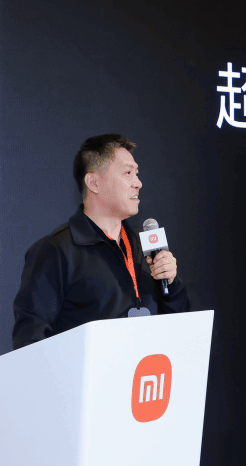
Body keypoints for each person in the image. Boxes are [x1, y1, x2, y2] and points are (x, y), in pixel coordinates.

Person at [12, 134, 190, 349]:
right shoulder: (55, 250)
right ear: (94, 183)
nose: (138, 183)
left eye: (137, 173)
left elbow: (181, 329)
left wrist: (171, 284)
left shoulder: (145, 246)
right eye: (128, 173)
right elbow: (30, 340)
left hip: (147, 368)